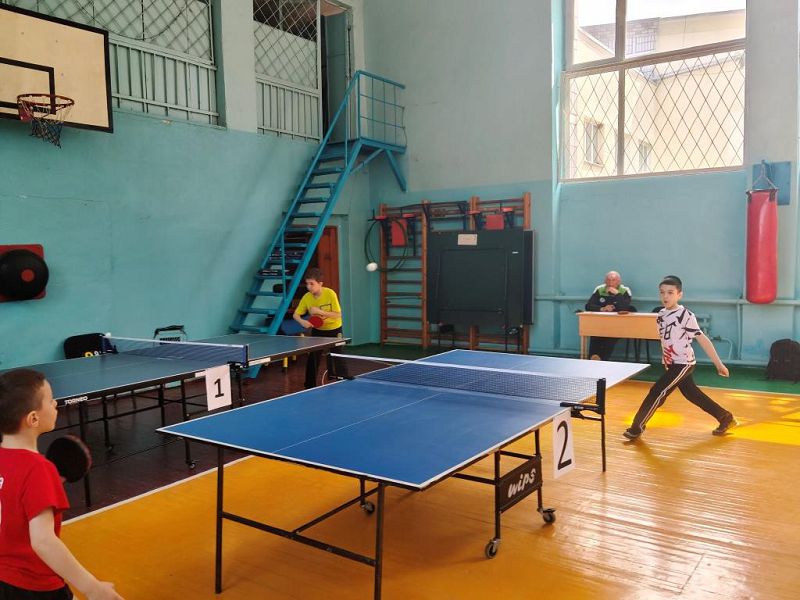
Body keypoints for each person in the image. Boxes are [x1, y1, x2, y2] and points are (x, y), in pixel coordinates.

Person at [0, 369, 124, 600]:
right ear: (33, 418)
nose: (55, 403)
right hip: (35, 585)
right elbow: (43, 541)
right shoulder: (39, 469)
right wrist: (92, 588)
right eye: (50, 400)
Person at [623, 275, 737, 440]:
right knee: (693, 394)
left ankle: (636, 428)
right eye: (662, 292)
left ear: (679, 295)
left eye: (670, 292)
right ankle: (725, 417)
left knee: (657, 391)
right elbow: (665, 340)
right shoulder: (661, 315)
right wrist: (666, 361)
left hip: (684, 363)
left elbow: (703, 339)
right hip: (672, 363)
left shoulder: (685, 315)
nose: (665, 296)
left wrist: (719, 364)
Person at [292, 268, 343, 388]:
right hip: (318, 331)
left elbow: (338, 314)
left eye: (312, 284)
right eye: (307, 284)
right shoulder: (306, 297)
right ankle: (309, 386)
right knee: (313, 359)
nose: (309, 287)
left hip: (334, 330)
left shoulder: (330, 293)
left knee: (338, 358)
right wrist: (302, 321)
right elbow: (296, 315)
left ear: (320, 284)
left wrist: (320, 312)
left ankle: (343, 381)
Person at [585, 270, 633, 360]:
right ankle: (593, 359)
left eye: (613, 280)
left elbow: (625, 308)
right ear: (605, 281)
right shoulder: (599, 289)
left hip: (618, 324)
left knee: (609, 337)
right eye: (608, 280)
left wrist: (617, 294)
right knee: (594, 334)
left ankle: (602, 360)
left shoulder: (625, 290)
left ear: (619, 281)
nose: (610, 283)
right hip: (599, 323)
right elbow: (588, 306)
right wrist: (602, 309)